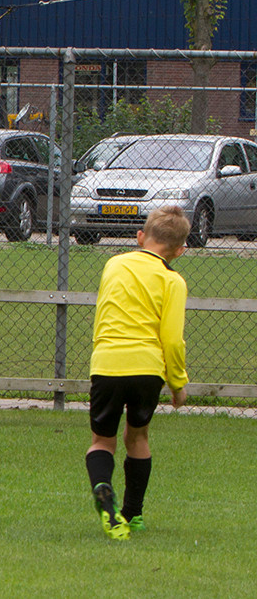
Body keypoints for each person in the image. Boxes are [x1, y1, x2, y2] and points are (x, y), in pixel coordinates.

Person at [85, 205, 191, 540]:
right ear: (180, 250)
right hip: (147, 368)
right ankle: (133, 514)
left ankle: (103, 490)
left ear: (140, 236)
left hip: (107, 363)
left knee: (102, 441)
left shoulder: (114, 264)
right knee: (138, 437)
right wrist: (178, 384)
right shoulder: (173, 281)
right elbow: (172, 340)